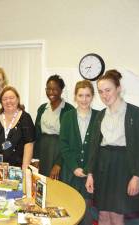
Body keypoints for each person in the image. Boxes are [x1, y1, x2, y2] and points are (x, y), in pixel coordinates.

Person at [86, 70, 139, 225]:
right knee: (103, 214)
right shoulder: (100, 116)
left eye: (108, 90)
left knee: (117, 215)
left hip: (124, 167)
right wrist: (90, 173)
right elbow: (94, 148)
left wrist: (136, 176)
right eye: (100, 92)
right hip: (103, 167)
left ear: (118, 88)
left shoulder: (135, 113)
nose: (105, 95)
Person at [59, 80, 98, 225]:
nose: (84, 99)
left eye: (88, 95)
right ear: (75, 97)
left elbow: (98, 148)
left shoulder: (99, 117)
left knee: (87, 211)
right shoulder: (67, 117)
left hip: (90, 175)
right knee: (69, 210)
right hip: (70, 172)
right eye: (80, 95)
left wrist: (89, 170)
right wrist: (74, 167)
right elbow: (63, 144)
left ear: (92, 96)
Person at [34, 75, 74, 179]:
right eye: (49, 89)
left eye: (55, 89)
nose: (51, 92)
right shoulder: (42, 108)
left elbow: (70, 140)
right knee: (41, 183)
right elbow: (36, 135)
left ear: (61, 90)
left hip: (60, 151)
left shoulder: (69, 110)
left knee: (57, 183)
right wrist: (35, 158)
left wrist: (58, 164)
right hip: (43, 150)